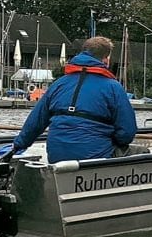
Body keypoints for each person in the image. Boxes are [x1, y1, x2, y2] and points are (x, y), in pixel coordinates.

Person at [13, 36, 143, 163]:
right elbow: (127, 132)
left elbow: (35, 122)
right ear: (106, 59)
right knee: (142, 152)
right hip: (96, 156)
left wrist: (18, 145)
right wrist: (114, 140)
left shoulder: (58, 84)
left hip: (57, 155)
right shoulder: (113, 87)